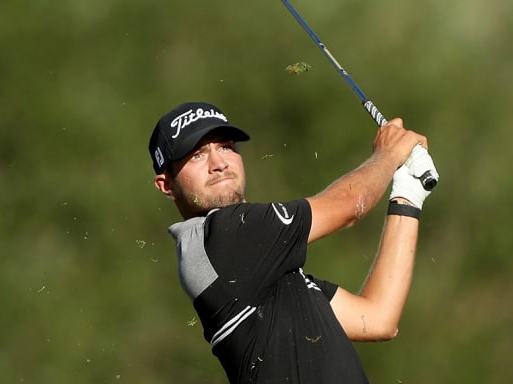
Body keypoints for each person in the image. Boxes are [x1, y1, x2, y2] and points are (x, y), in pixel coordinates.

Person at [148, 101, 438, 383]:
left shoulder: (267, 270)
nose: (219, 163)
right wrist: (389, 153)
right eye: (197, 154)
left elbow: (378, 318)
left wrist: (407, 194)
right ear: (166, 185)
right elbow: (351, 204)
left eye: (226, 147)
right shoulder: (224, 234)